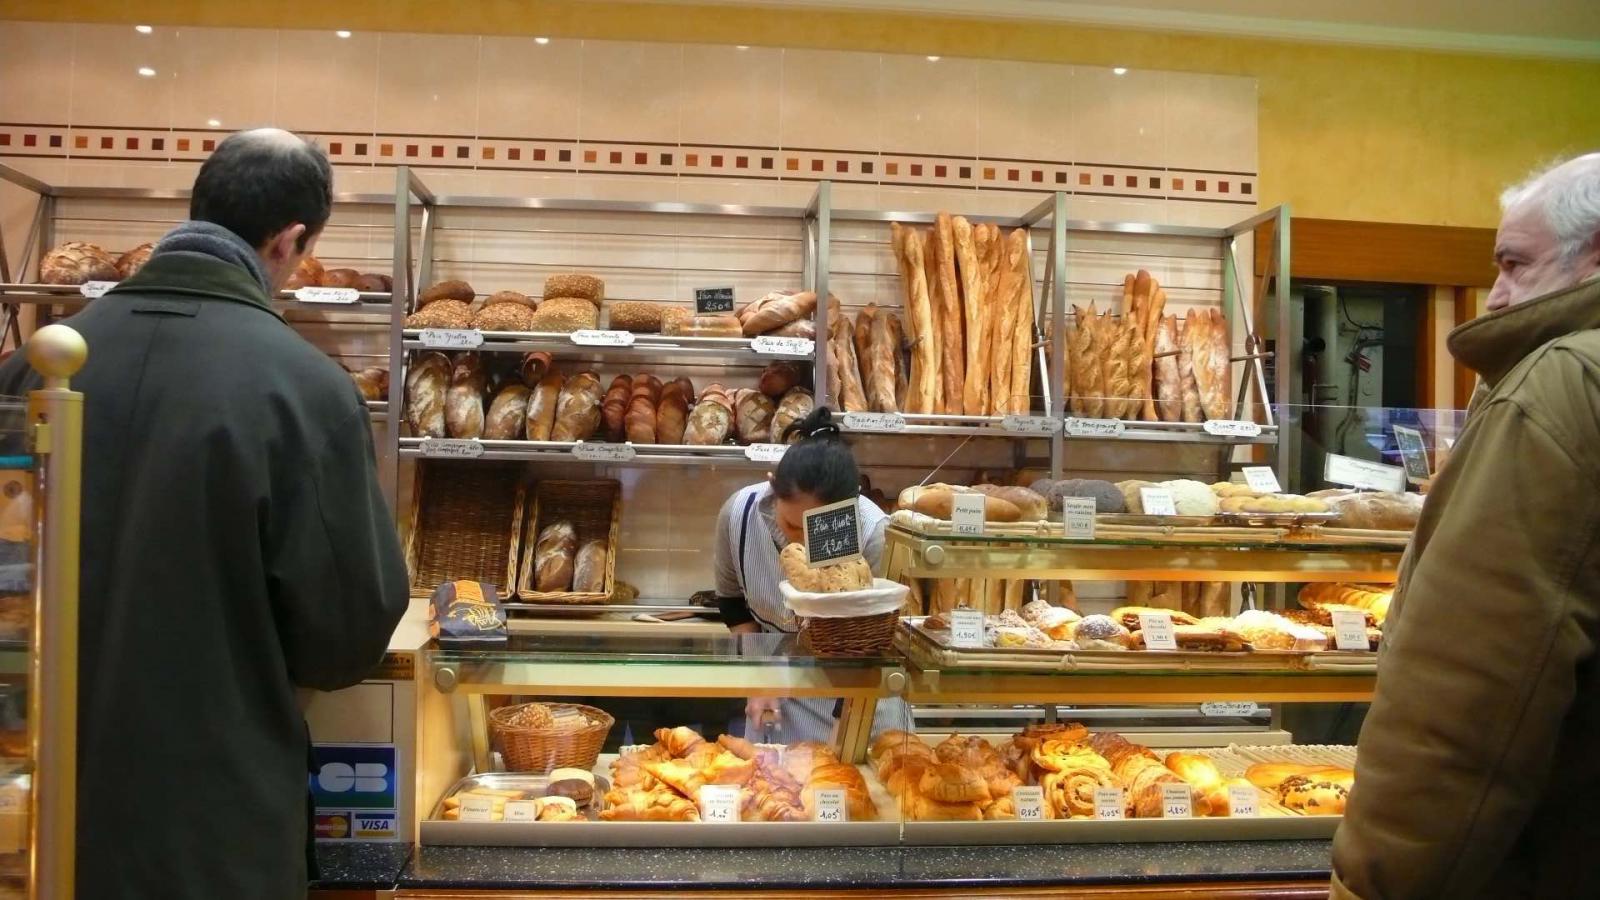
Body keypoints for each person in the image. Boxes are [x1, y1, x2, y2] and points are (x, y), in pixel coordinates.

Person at [0, 130, 409, 898]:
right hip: (212, 825)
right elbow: (344, 639)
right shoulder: (305, 389)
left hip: (35, 814)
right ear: (289, 241)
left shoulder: (33, 366)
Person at [1331, 152, 1600, 898]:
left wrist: (1376, 883)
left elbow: (1468, 695)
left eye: (1514, 264)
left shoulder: (1559, 386)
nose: (1495, 295)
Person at [712, 406, 903, 742]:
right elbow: (732, 604)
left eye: (815, 528)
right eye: (791, 525)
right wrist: (760, 678)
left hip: (860, 690)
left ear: (850, 505)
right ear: (772, 485)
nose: (800, 539)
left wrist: (849, 726)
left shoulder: (872, 530)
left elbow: (880, 644)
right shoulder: (738, 514)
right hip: (778, 687)